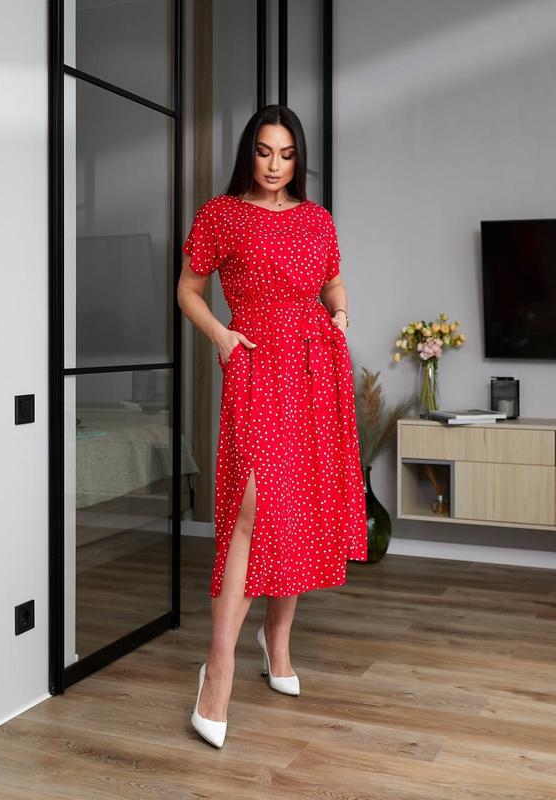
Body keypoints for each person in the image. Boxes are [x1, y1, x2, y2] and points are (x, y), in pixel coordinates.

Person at [176, 104, 367, 749]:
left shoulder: (317, 219)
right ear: (248, 153)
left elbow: (334, 285)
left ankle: (277, 641)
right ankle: (219, 671)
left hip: (316, 367)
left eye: (286, 155)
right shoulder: (221, 214)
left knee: (300, 507)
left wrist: (339, 315)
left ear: (298, 158)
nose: (275, 165)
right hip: (257, 364)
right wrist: (222, 337)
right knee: (253, 507)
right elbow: (188, 289)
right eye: (264, 152)